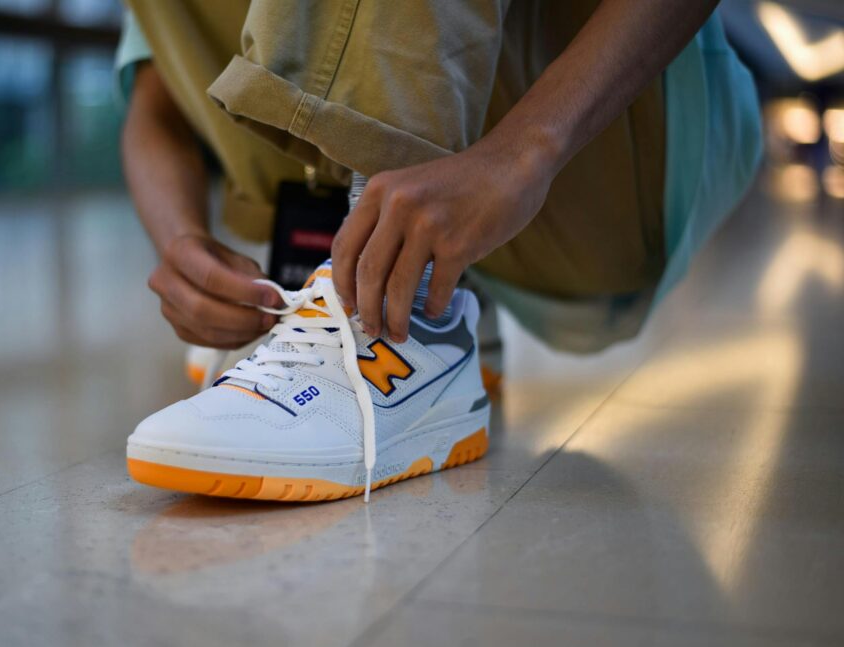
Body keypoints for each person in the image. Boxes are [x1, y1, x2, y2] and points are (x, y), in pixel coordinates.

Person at [119, 0, 762, 502]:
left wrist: (527, 150)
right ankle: (419, 292)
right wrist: (178, 239)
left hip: (608, 155)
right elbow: (156, 97)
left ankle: (398, 318)